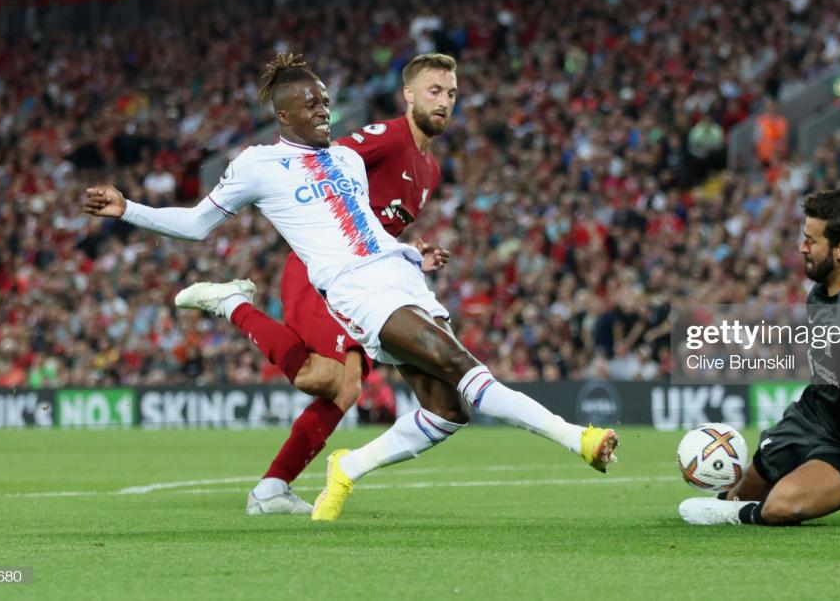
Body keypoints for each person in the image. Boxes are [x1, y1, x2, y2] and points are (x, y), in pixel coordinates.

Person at [83, 53, 618, 524]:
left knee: (450, 409)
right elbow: (197, 224)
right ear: (284, 115)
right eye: (311, 105)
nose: (323, 111)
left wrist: (412, 253)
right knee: (456, 366)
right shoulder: (257, 164)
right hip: (356, 291)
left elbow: (364, 224)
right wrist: (127, 209)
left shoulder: (344, 160)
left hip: (399, 273)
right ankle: (579, 438)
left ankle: (348, 466)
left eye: (326, 101)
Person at [173, 52, 455, 515]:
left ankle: (270, 489)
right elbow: (320, 163)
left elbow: (375, 226)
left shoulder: (432, 170)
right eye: (434, 91)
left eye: (450, 94)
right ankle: (231, 306)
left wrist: (411, 256)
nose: (443, 102)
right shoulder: (387, 137)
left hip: (369, 282)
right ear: (409, 95)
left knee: (341, 387)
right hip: (323, 269)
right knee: (326, 380)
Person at [679, 188, 840, 527]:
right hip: (813, 417)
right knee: (742, 490)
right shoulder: (822, 292)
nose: (802, 247)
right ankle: (733, 506)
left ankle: (737, 515)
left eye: (811, 240)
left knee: (783, 505)